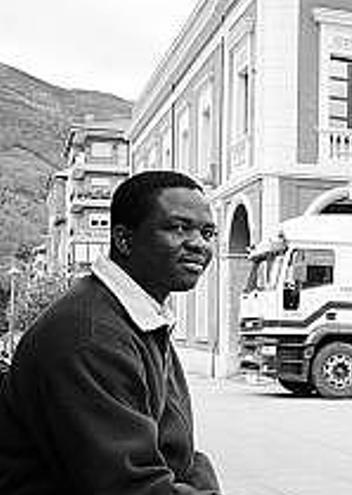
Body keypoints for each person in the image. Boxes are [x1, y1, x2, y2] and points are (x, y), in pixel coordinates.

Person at [0, 171, 221, 494]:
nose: (199, 245)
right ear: (124, 239)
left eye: (207, 232)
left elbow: (180, 453)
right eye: (178, 227)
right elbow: (130, 486)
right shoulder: (89, 335)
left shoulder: (141, 316)